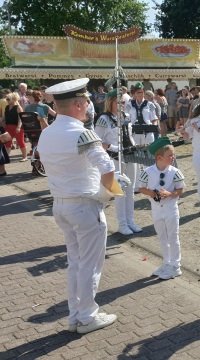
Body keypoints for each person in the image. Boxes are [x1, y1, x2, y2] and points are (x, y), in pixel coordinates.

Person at [38, 78, 119, 334]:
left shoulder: (47, 132)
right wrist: (110, 195)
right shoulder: (82, 133)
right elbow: (108, 168)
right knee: (89, 265)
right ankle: (86, 316)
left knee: (75, 263)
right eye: (85, 102)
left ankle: (76, 315)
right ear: (76, 104)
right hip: (85, 206)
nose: (88, 106)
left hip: (61, 205)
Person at [94, 90, 141, 235]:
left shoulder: (126, 116)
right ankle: (122, 224)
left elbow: (130, 136)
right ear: (110, 102)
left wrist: (135, 148)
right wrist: (110, 147)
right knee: (119, 191)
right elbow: (96, 141)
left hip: (129, 155)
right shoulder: (104, 119)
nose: (121, 105)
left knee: (131, 189)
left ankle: (130, 221)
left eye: (123, 102)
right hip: (114, 158)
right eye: (118, 102)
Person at [138, 137, 185, 280]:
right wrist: (151, 193)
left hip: (171, 208)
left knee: (173, 237)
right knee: (162, 237)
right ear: (159, 157)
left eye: (173, 155)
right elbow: (141, 188)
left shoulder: (175, 172)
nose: (173, 157)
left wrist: (170, 194)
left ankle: (175, 266)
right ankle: (166, 262)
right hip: (156, 209)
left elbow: (181, 189)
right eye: (170, 155)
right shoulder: (148, 171)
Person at [2, 92, 27, 161]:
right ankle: (6, 157)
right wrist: (1, 121)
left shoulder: (18, 107)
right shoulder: (7, 107)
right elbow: (4, 117)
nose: (6, 100)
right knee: (7, 142)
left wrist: (19, 127)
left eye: (8, 99)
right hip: (8, 126)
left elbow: (20, 118)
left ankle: (25, 157)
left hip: (16, 127)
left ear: (13, 99)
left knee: (20, 142)